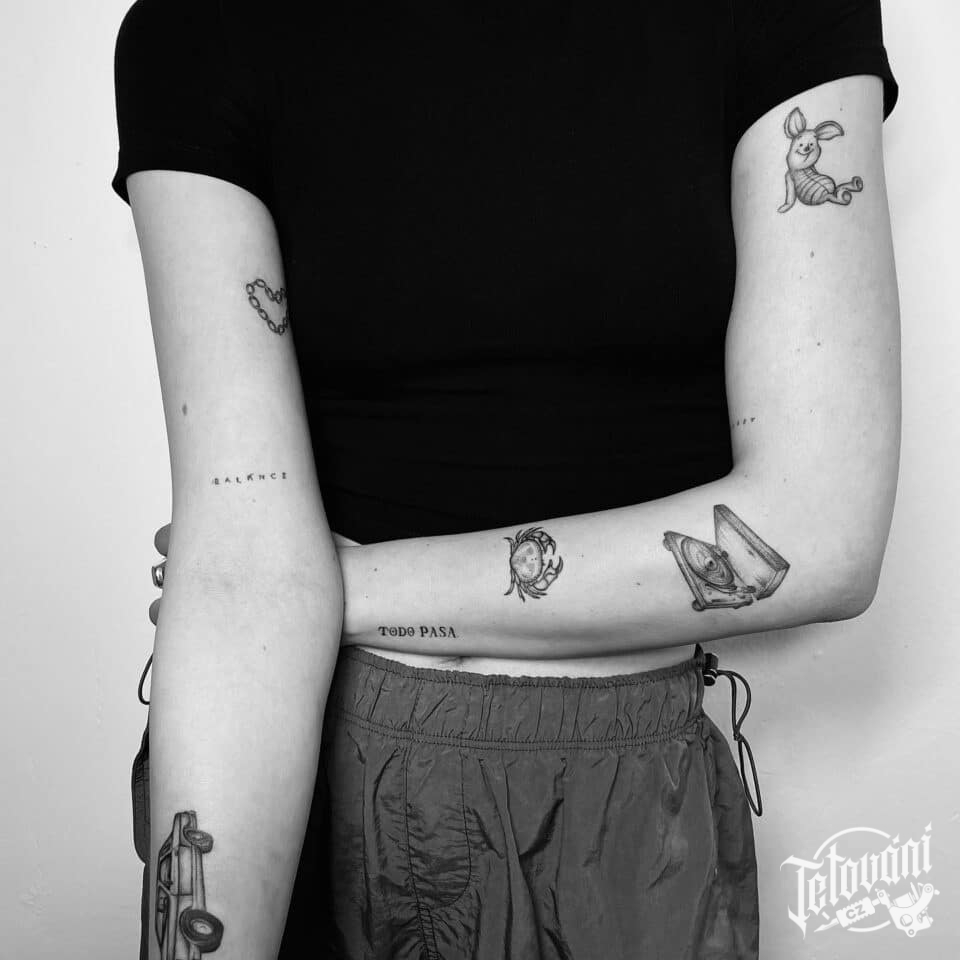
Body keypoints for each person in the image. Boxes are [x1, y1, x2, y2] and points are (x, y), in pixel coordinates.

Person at [111, 1, 900, 957]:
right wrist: (255, 589)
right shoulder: (200, 30)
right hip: (300, 765)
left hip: (611, 803)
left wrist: (316, 590)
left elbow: (820, 537)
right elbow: (238, 548)